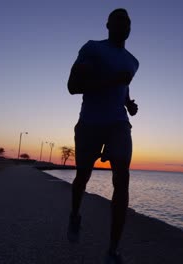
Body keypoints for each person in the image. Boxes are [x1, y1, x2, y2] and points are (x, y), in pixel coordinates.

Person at [66, 8, 139, 263]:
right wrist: (112, 81)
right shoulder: (92, 49)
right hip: (90, 123)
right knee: (82, 177)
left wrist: (128, 103)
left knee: (122, 180)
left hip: (119, 123)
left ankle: (113, 250)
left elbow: (124, 85)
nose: (123, 25)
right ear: (107, 25)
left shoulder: (133, 61)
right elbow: (73, 87)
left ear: (131, 28)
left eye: (127, 22)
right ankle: (75, 215)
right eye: (118, 21)